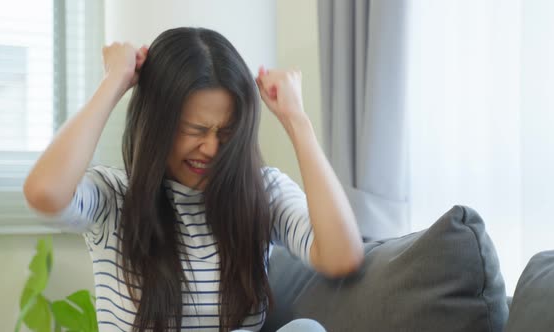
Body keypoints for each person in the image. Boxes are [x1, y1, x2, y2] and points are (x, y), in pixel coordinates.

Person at [23, 27, 364, 332]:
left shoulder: (262, 192)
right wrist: (114, 81)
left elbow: (341, 256)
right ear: (157, 123)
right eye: (194, 130)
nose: (212, 148)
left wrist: (296, 120)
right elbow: (44, 192)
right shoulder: (114, 196)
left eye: (226, 132)